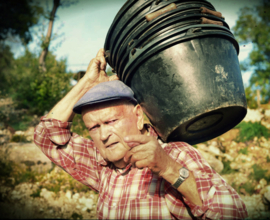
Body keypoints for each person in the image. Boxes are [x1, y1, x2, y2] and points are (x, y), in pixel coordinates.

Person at [34, 48, 248, 219]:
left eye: (111, 121)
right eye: (94, 127)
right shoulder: (101, 166)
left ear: (138, 117)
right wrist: (88, 83)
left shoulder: (176, 155)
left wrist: (169, 168)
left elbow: (233, 213)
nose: (104, 134)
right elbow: (46, 134)